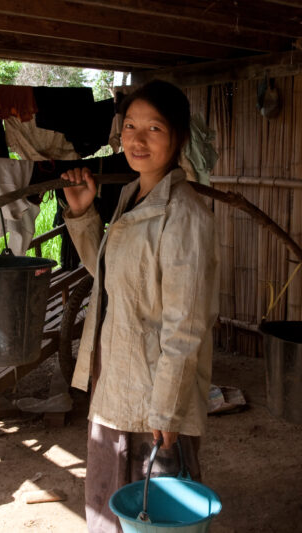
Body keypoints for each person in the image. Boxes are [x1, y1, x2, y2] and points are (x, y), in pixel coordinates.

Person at [61, 79, 219, 532]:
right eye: (130, 126)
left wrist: (166, 410)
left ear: (179, 138)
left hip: (152, 399)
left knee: (154, 510)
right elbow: (114, 280)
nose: (137, 139)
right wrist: (83, 214)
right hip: (115, 381)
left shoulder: (185, 216)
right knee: (110, 508)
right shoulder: (132, 196)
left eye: (154, 128)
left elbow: (185, 326)